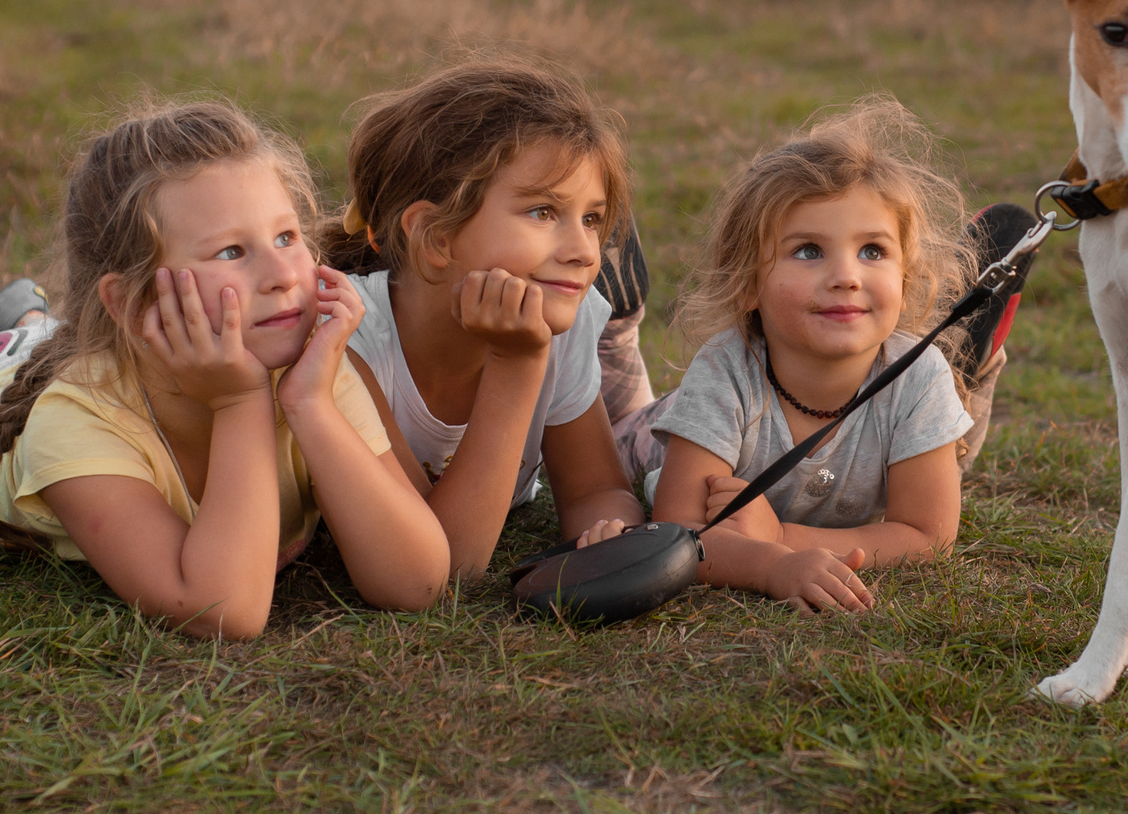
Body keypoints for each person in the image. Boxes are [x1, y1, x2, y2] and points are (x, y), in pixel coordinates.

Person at [0, 99, 449, 638]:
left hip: (97, 348)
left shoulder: (311, 372)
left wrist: (311, 405)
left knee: (44, 335)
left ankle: (29, 316)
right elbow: (223, 611)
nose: (282, 274)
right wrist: (238, 401)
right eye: (232, 251)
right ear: (132, 302)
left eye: (286, 237)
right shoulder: (73, 422)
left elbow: (415, 581)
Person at [577, 98, 1028, 613]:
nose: (846, 276)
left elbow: (929, 535)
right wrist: (770, 568)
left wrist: (782, 537)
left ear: (905, 280)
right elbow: (681, 534)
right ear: (749, 284)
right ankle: (611, 315)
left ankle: (967, 369)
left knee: (936, 413)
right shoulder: (724, 371)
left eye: (873, 251)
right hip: (651, 439)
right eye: (809, 251)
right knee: (616, 428)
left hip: (906, 393)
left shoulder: (916, 375)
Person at [317, 60, 652, 577]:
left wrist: (611, 535)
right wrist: (517, 365)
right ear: (436, 236)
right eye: (543, 211)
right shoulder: (349, 341)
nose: (586, 251)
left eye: (591, 219)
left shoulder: (563, 319)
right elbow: (445, 558)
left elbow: (596, 489)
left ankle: (621, 327)